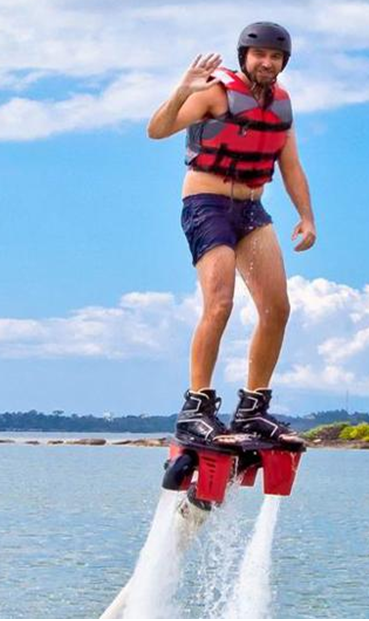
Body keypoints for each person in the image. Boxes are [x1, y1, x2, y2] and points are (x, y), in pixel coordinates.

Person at [147, 22, 317, 446]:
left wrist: (307, 217)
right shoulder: (215, 92)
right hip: (207, 204)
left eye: (275, 57)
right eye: (259, 55)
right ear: (244, 57)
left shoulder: (281, 106)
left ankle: (253, 409)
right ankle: (197, 408)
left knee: (277, 307)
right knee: (220, 303)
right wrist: (182, 90)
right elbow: (157, 129)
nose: (267, 62)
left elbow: (290, 166)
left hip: (252, 208)